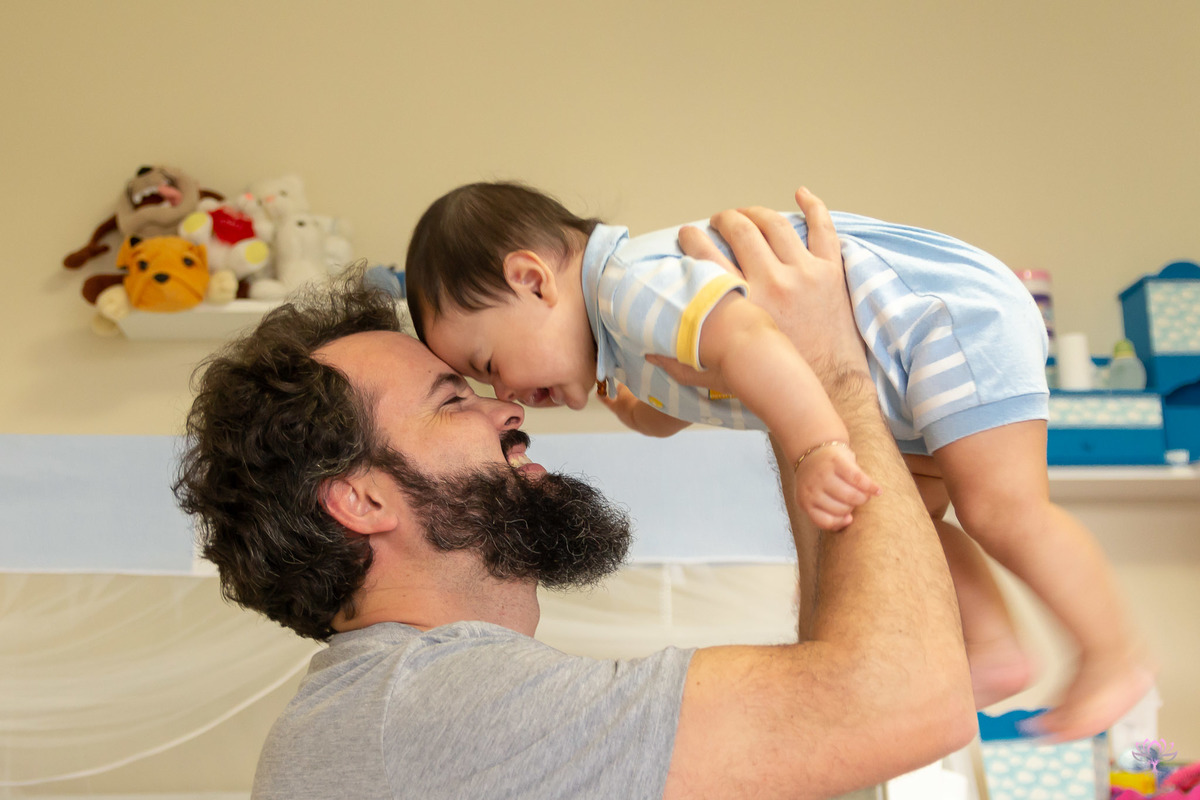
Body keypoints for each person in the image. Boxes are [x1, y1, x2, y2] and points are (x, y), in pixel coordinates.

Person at [174, 192, 977, 799]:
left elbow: (835, 745)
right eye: (455, 400)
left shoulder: (403, 710)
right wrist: (831, 367)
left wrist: (800, 417)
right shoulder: (431, 707)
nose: (508, 406)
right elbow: (900, 704)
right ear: (361, 500)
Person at [403, 181, 1155, 740]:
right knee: (912, 516)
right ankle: (992, 646)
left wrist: (818, 448)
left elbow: (754, 343)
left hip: (943, 317)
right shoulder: (630, 336)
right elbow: (690, 397)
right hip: (899, 364)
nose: (505, 394)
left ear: (532, 279)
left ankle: (1112, 653)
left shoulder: (633, 285)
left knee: (1000, 507)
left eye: (489, 360)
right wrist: (638, 408)